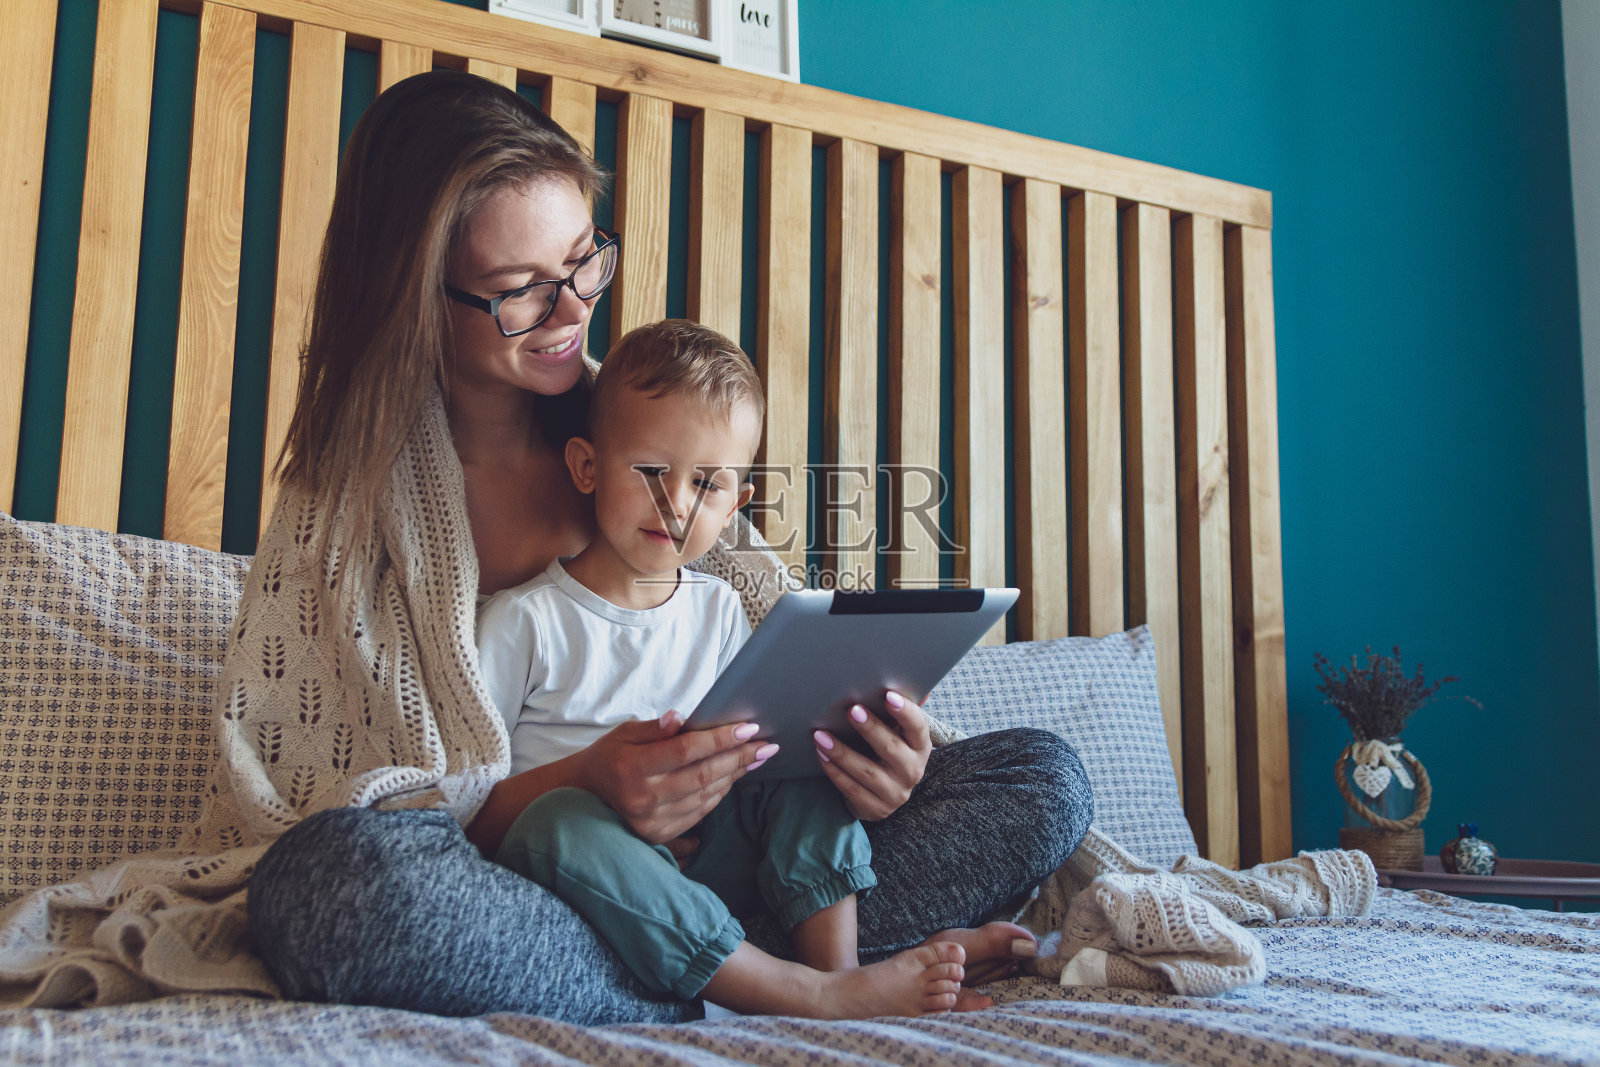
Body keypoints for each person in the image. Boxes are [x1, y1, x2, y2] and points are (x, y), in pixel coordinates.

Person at [216, 69, 1094, 1024]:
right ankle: (771, 979)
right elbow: (326, 801)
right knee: (328, 885)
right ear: (416, 293)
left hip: (738, 856)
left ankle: (775, 968)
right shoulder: (342, 511)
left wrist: (880, 762)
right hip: (545, 890)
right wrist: (586, 780)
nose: (574, 311)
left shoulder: (658, 435)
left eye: (585, 263)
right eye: (522, 292)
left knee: (1043, 778)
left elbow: (778, 663)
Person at [478, 319, 1009, 1017]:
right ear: (587, 466)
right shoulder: (525, 619)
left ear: (736, 505)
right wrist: (588, 782)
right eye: (648, 470)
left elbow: (754, 746)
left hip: (711, 856)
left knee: (797, 764)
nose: (676, 502)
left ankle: (842, 973)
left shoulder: (722, 607)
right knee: (555, 822)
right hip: (591, 873)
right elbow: (469, 808)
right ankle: (799, 991)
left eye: (707, 482)